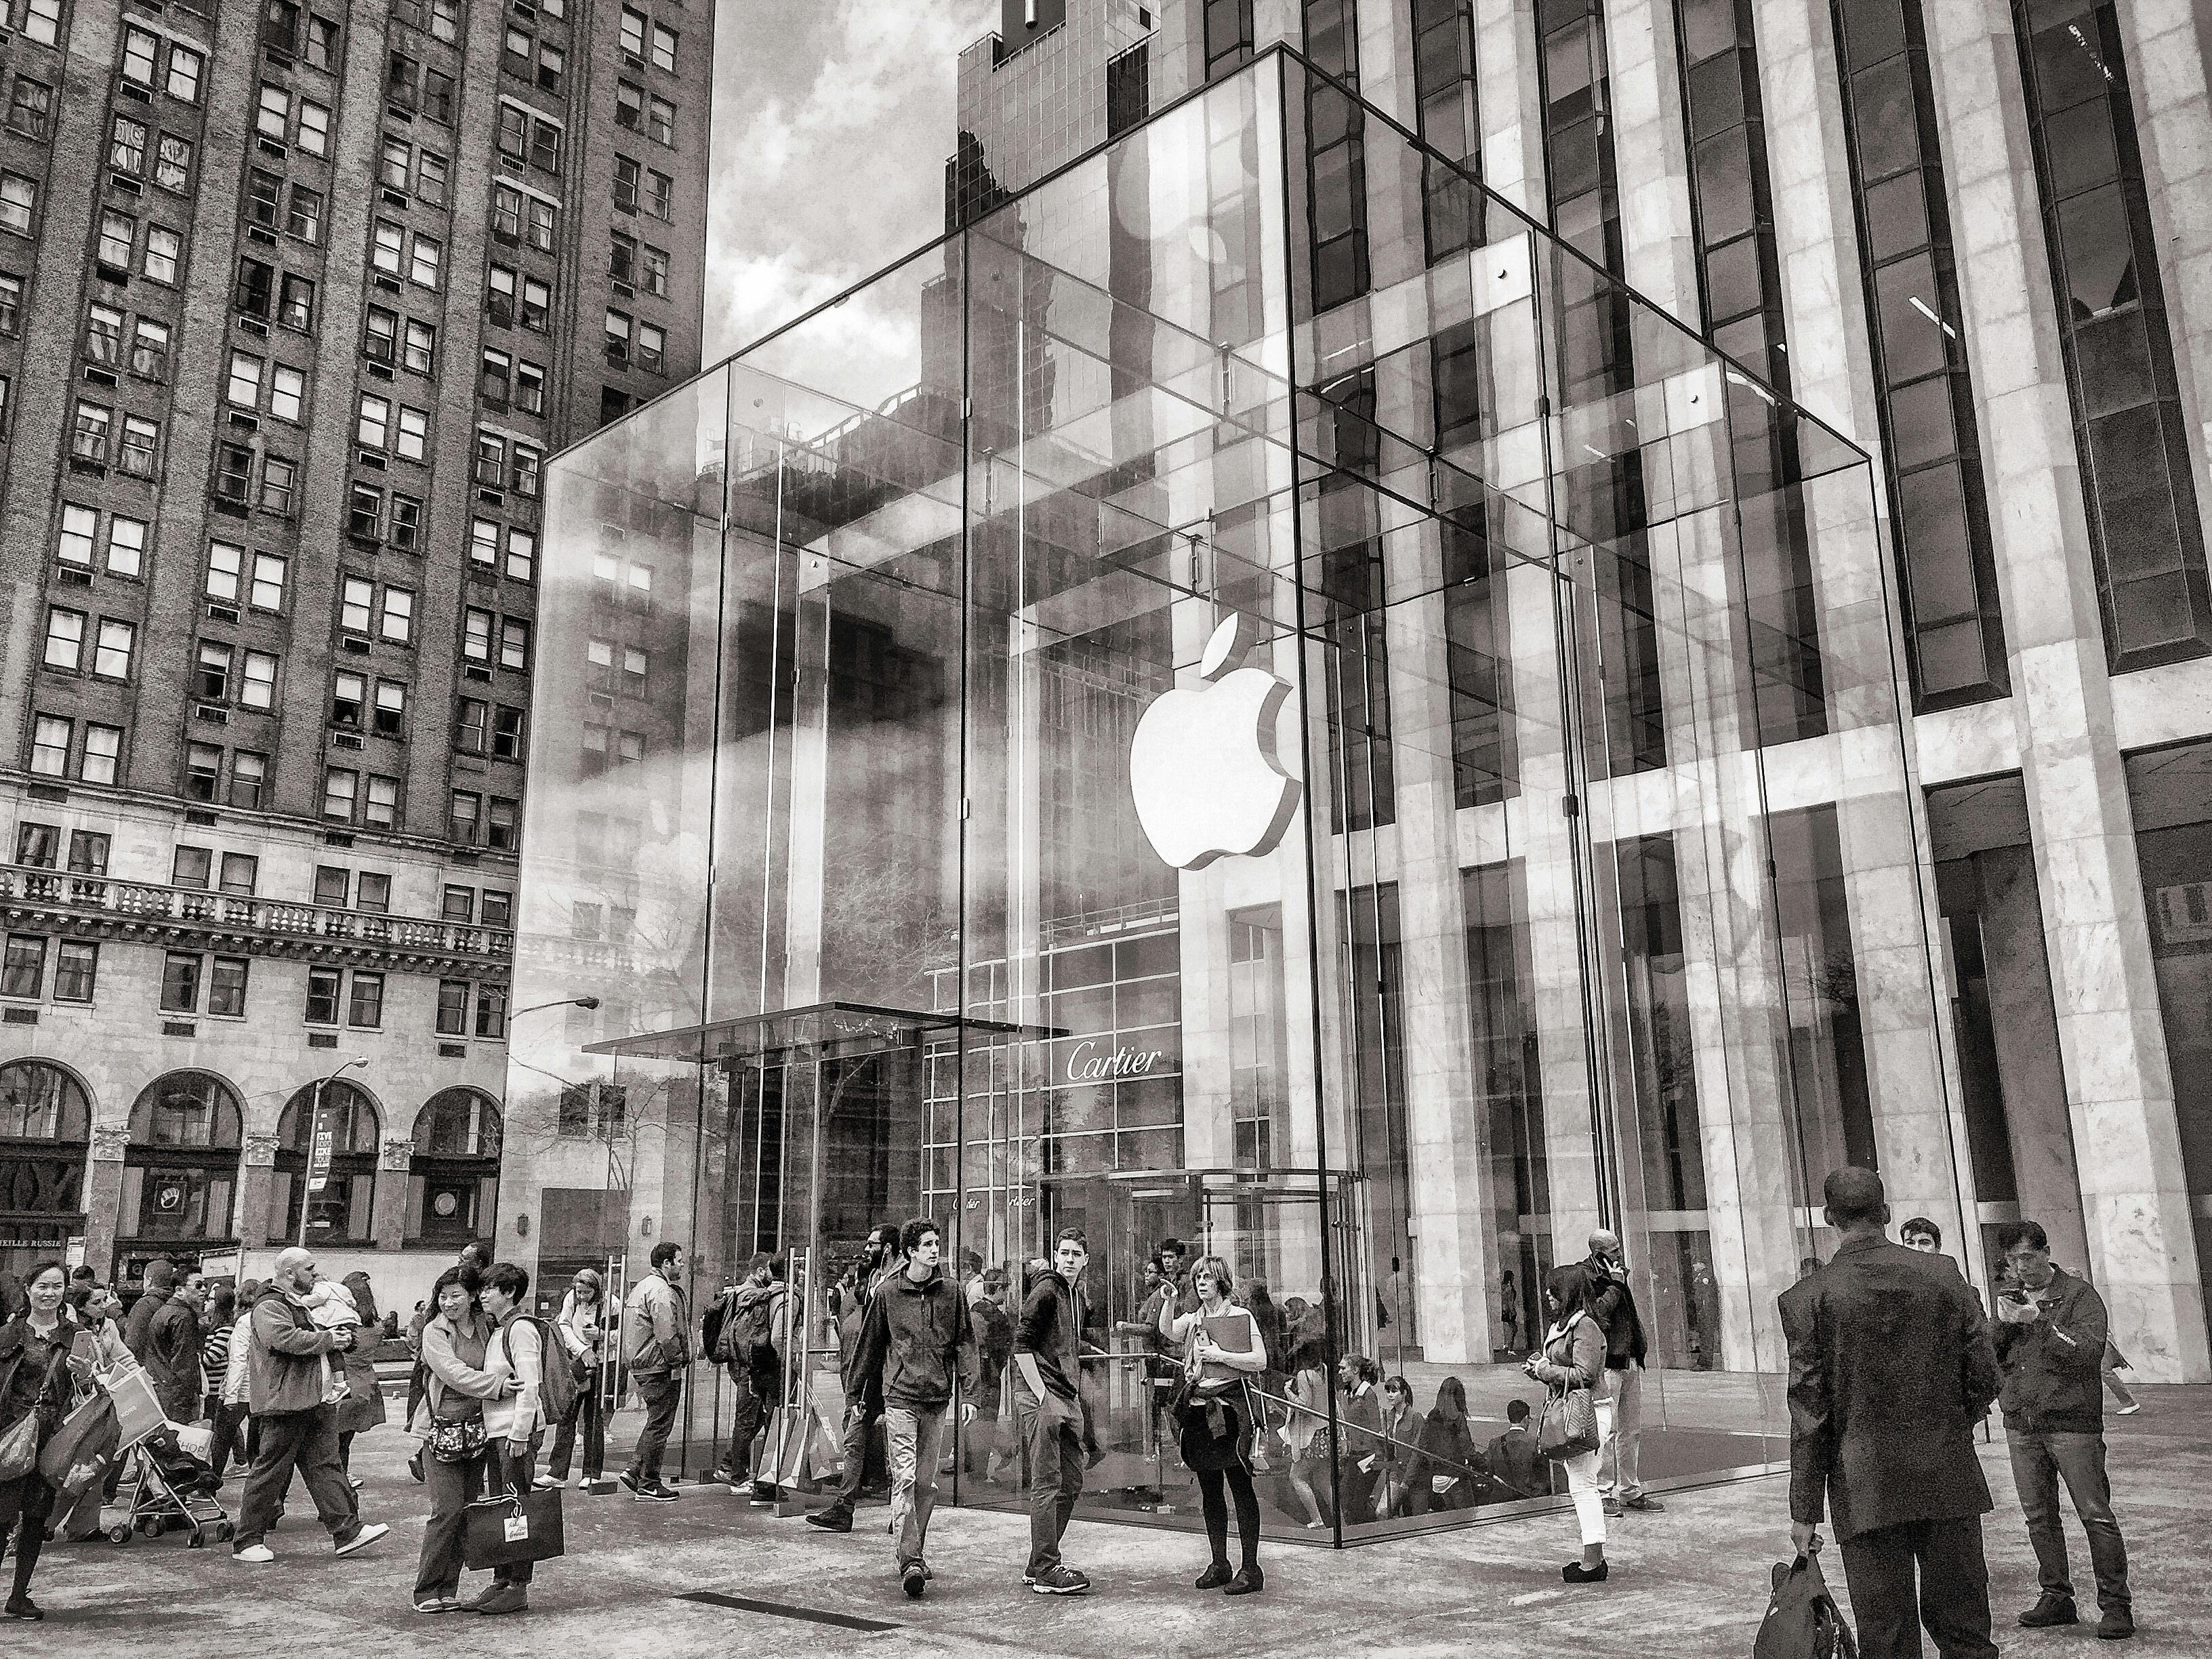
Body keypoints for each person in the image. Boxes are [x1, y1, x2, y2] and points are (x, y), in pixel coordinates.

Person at [1780, 1168, 2000, 1659]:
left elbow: (1809, 1412)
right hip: (1946, 1468)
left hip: (1863, 1481)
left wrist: (1804, 1509)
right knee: (1965, 1626)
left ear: (1828, 1217)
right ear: (1885, 1213)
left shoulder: (1807, 1299)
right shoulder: (1943, 1273)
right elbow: (1985, 1373)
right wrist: (1951, 1421)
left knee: (1886, 1634)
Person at [1992, 1220, 2133, 1641]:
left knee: (2095, 1515)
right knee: (2039, 1518)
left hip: (2073, 1425)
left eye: (2030, 1258)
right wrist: (2001, 1324)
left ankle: (2115, 1605)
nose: (2022, 1267)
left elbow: (2088, 1354)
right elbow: (1991, 1355)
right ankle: (2057, 1597)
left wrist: (2040, 1324)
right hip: (2023, 1424)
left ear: (2047, 1252)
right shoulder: (2008, 1296)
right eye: (2013, 1260)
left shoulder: (2078, 1295)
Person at [232, 1247, 389, 1564]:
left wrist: (332, 1342)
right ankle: (247, 1539)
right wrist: (330, 1339)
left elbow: (295, 1338)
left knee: (324, 1466)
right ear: (289, 1273)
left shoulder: (291, 1303)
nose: (316, 1274)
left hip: (309, 1401)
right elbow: (283, 1339)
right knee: (271, 1471)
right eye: (310, 1269)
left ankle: (347, 1531)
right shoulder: (271, 1305)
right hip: (286, 1404)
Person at [851, 1217, 976, 1599]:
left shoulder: (952, 1293)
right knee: (904, 1478)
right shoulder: (888, 1294)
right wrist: (857, 1394)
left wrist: (969, 1393)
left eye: (936, 1242)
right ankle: (910, 1558)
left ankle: (914, 1550)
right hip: (900, 1397)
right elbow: (869, 1347)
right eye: (926, 1244)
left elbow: (965, 1345)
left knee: (926, 1483)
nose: (934, 1249)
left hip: (937, 1400)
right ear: (909, 1252)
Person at [410, 1265, 525, 1614]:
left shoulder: (487, 1326)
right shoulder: (434, 1331)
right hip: (440, 1430)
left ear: (473, 1296)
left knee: (466, 1511)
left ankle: (449, 1588)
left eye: (456, 1296)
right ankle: (426, 1588)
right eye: (443, 1297)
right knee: (445, 1509)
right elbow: (453, 1373)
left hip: (479, 1429)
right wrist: (496, 1388)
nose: (448, 1303)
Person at [1155, 1252, 1267, 1594]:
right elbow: (1168, 1331)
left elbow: (1260, 1360)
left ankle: (1251, 1568)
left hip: (1231, 1412)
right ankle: (1220, 1562)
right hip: (1201, 1412)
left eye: (1207, 1277)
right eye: (1197, 1278)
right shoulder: (1194, 1319)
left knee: (1240, 1487)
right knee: (1209, 1490)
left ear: (1221, 1281)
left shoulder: (1240, 1316)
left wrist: (1221, 1356)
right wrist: (1170, 1301)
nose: (1201, 1283)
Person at [0, 1261, 81, 1620]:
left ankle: (19, 1596)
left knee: (36, 1519)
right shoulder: (8, 1334)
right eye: (43, 1286)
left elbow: (92, 1388)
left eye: (58, 1286)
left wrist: (88, 1373)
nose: (50, 1293)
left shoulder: (77, 1334)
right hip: (11, 1434)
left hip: (53, 1438)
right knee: (1, 1519)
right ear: (28, 1289)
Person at [807, 1223, 901, 1531]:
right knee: (854, 1438)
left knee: (894, 1444)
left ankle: (898, 1511)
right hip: (867, 1375)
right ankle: (844, 1506)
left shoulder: (899, 1278)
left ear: (887, 1248)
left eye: (873, 1244)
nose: (867, 1249)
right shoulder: (873, 1278)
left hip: (889, 1375)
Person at [1013, 1229, 1091, 1594]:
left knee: (1072, 1480)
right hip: (1042, 1393)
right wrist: (1042, 1395)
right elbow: (1021, 1345)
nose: (1070, 1258)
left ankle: (1039, 1561)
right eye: (1064, 1252)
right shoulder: (1047, 1289)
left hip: (1066, 1392)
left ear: (1086, 1259)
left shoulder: (1076, 1295)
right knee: (1047, 1482)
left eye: (1077, 1253)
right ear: (1055, 1256)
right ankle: (1046, 1566)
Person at [1526, 1263, 1610, 1584]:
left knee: (1583, 1485)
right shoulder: (1565, 1325)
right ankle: (1594, 1558)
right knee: (1582, 1483)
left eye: (1554, 1289)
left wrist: (1546, 1371)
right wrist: (1539, 1367)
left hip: (1588, 1413)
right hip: (1573, 1411)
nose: (1548, 1294)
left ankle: (1593, 1563)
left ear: (1571, 1292)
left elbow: (1585, 1375)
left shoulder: (1585, 1326)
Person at [1582, 1229, 1658, 1517]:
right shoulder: (1587, 1276)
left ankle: (1629, 1489)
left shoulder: (1618, 1274)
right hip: (1607, 1364)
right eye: (1613, 1250)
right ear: (1599, 1251)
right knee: (1607, 1431)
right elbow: (1597, 1314)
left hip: (1628, 1360)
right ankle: (1602, 1492)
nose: (1619, 1254)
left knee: (1631, 1430)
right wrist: (1614, 1285)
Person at [708, 1252, 790, 1501]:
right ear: (761, 1271)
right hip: (748, 1367)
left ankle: (728, 1464)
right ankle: (738, 1476)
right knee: (747, 1420)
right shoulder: (753, 1295)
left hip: (741, 1363)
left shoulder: (738, 1294)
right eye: (768, 1270)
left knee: (755, 1420)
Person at [618, 1240, 690, 1502]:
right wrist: (678, 1360)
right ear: (666, 1263)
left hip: (645, 1364)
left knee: (655, 1420)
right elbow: (667, 1334)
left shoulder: (642, 1288)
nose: (682, 1265)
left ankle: (635, 1470)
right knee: (660, 1424)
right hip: (658, 1366)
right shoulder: (661, 1291)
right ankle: (649, 1481)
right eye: (679, 1261)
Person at [544, 1268, 607, 1488]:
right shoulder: (571, 1300)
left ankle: (591, 1473)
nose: (582, 1297)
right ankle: (558, 1472)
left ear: (596, 1290)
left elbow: (618, 1331)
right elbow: (564, 1326)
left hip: (602, 1361)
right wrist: (581, 1350)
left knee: (592, 1419)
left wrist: (602, 1335)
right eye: (579, 1291)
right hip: (578, 1359)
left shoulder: (611, 1304)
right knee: (567, 1415)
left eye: (587, 1292)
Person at [335, 1273, 387, 1488]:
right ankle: (342, 1482)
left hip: (342, 1387)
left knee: (332, 1446)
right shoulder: (377, 1328)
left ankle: (337, 1487)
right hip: (365, 1386)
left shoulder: (342, 1329)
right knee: (344, 1443)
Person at [1412, 1376, 1484, 1512]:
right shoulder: (1458, 1417)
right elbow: (1468, 1450)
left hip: (1437, 1478)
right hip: (1456, 1477)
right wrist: (1484, 1463)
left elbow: (1422, 1446)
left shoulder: (1432, 1416)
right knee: (1468, 1520)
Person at [1333, 1353, 1386, 1523]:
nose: (1340, 1371)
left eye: (1343, 1368)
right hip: (1353, 1454)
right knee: (1345, 1498)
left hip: (1368, 1456)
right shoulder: (1347, 1393)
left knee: (1357, 1504)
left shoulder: (1367, 1394)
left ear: (1355, 1370)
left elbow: (1376, 1427)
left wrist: (1377, 1457)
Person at [1372, 1374, 1423, 1519]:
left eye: (1394, 1391)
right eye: (1387, 1391)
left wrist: (1407, 1481)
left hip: (1414, 1477)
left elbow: (1417, 1452)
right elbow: (1390, 1452)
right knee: (1382, 1512)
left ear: (1404, 1393)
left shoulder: (1415, 1417)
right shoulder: (1389, 1416)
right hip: (1396, 1472)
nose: (1390, 1395)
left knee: (1413, 1518)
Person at [1486, 1396, 1545, 1501]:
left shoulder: (1494, 1443)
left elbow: (1490, 1471)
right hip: (1529, 1499)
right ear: (1526, 1419)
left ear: (1509, 1418)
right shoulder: (1535, 1443)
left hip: (1502, 1499)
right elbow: (1543, 1475)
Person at [123, 1258, 174, 1360]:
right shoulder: (174, 1303)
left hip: (147, 1366)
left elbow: (133, 1341)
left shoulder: (145, 1304)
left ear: (149, 1281)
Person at [1498, 1271, 1521, 1356]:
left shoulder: (1502, 1287)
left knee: (1509, 1329)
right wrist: (1513, 1312)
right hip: (1509, 1311)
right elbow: (1510, 1302)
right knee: (1513, 1329)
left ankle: (1507, 1345)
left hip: (1504, 1310)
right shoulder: (1509, 1289)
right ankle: (1510, 1348)